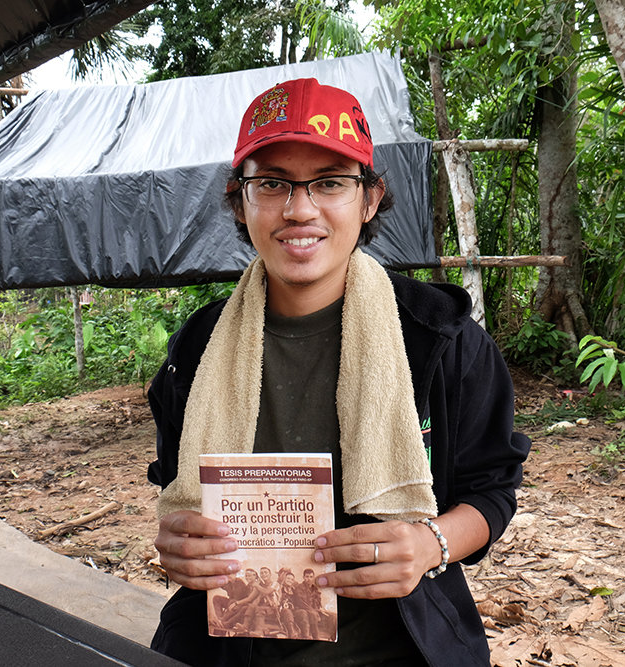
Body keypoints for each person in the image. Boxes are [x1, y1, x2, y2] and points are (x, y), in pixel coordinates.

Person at [147, 77, 531, 666]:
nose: (299, 209)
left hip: (401, 651)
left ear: (369, 199)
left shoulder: (440, 340)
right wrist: (176, 540)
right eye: (271, 183)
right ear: (239, 200)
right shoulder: (196, 351)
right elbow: (176, 491)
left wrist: (430, 544)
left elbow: (493, 488)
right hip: (227, 649)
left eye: (329, 183)